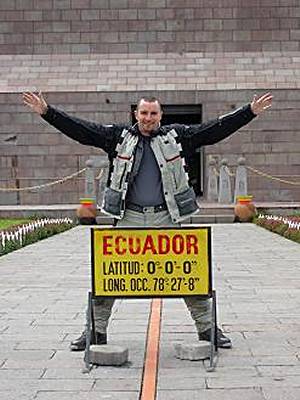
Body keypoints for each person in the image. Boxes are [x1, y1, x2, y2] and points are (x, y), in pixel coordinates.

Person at [23, 91, 273, 351]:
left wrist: (249, 112)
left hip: (167, 214)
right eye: (144, 113)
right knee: (108, 273)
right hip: (129, 215)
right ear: (136, 114)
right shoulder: (118, 137)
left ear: (160, 116)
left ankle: (208, 328)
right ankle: (95, 332)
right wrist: (47, 112)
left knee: (189, 272)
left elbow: (214, 130)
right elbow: (82, 130)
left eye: (153, 113)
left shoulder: (177, 136)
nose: (148, 118)